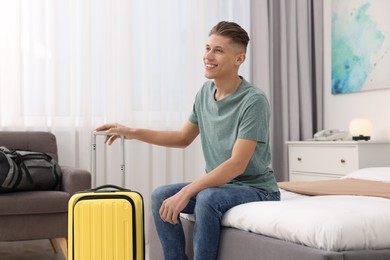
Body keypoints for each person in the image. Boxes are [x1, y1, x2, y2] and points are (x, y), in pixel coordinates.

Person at [96, 21, 280, 260]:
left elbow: (237, 164)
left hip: (257, 189)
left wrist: (188, 191)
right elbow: (182, 138)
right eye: (207, 48)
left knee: (206, 197)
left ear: (239, 59)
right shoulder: (205, 93)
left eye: (218, 50)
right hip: (222, 186)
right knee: (161, 194)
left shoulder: (253, 100)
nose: (208, 56)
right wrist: (130, 131)